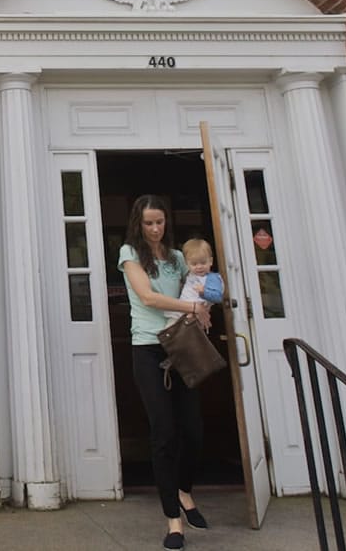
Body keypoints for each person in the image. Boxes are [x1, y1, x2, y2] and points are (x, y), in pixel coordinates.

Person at [118, 195, 213, 549]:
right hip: (148, 347)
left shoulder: (176, 258)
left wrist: (204, 304)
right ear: (138, 224)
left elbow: (199, 285)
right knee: (164, 432)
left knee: (194, 431)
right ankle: (174, 520)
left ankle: (185, 490)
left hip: (183, 346)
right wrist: (190, 305)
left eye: (160, 222)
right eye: (149, 223)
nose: (155, 229)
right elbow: (148, 298)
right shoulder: (130, 254)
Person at [166, 238, 215, 326]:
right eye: (194, 264)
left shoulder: (212, 279)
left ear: (210, 261)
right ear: (187, 264)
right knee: (170, 329)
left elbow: (216, 296)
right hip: (182, 310)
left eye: (203, 263)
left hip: (195, 312)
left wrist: (205, 292)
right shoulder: (191, 275)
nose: (199, 267)